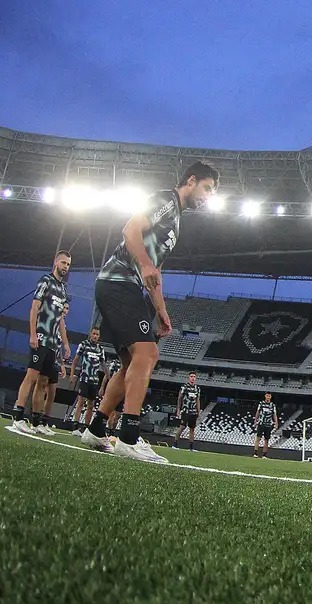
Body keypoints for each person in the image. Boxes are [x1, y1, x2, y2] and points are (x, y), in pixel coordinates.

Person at [80, 161, 220, 462]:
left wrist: (162, 310)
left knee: (131, 360)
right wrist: (143, 264)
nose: (208, 196)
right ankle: (129, 437)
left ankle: (96, 428)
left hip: (124, 286)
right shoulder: (166, 201)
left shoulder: (176, 218)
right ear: (191, 180)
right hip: (119, 282)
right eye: (207, 188)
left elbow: (154, 270)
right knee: (148, 354)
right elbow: (130, 229)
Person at [11, 251, 71, 436]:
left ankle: (37, 422)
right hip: (41, 336)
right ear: (55, 262)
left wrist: (66, 344)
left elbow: (60, 319)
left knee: (43, 382)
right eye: (63, 263)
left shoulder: (63, 289)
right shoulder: (45, 280)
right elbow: (35, 307)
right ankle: (18, 416)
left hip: (53, 343)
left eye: (68, 265)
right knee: (31, 376)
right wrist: (33, 334)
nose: (65, 267)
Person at [68, 327, 106, 436]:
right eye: (94, 334)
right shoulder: (83, 345)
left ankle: (86, 429)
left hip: (94, 381)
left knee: (91, 405)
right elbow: (75, 360)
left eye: (97, 334)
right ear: (90, 334)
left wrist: (108, 377)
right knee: (80, 402)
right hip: (84, 378)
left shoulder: (100, 349)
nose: (95, 336)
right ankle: (75, 427)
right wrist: (72, 374)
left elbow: (103, 365)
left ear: (99, 336)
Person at [172, 372, 201, 450]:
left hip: (193, 411)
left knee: (192, 429)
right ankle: (175, 444)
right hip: (185, 410)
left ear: (196, 378)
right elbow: (179, 398)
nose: (193, 378)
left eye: (194, 376)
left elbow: (198, 400)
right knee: (182, 427)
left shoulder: (197, 388)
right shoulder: (184, 387)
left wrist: (198, 411)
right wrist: (178, 409)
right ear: (189, 377)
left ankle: (191, 447)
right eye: (191, 376)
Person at [252, 392, 279, 459]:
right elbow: (258, 412)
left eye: (269, 396)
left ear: (270, 397)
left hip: (268, 425)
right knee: (258, 438)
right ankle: (255, 453)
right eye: (267, 396)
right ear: (265, 396)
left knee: (266, 440)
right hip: (261, 423)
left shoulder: (272, 405)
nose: (268, 397)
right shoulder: (261, 404)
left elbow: (274, 414)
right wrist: (255, 420)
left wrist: (276, 423)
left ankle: (264, 455)